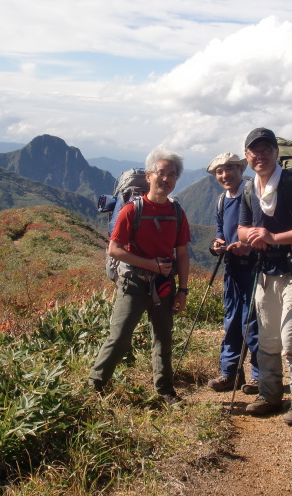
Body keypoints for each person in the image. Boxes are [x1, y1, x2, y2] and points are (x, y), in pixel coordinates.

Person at [89, 146, 191, 405]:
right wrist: (152, 264)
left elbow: (182, 254)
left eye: (172, 175)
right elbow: (115, 250)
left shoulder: (177, 213)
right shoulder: (131, 211)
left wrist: (183, 290)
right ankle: (94, 387)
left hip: (165, 286)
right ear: (149, 176)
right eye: (161, 172)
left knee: (163, 339)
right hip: (133, 283)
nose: (166, 179)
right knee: (120, 337)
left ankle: (165, 391)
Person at [237, 128, 292, 426]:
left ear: (276, 153)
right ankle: (269, 394)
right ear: (246, 155)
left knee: (291, 340)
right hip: (266, 270)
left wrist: (273, 237)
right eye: (253, 151)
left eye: (266, 150)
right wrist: (253, 236)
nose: (259, 156)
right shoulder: (249, 189)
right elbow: (242, 229)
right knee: (269, 337)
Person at [204, 153, 260, 394]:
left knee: (254, 323)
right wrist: (218, 243)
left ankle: (259, 376)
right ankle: (230, 373)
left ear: (240, 169)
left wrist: (248, 246)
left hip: (255, 269)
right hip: (232, 270)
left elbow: (264, 230)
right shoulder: (221, 201)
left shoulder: (253, 194)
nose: (224, 175)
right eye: (219, 171)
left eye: (229, 169)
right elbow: (220, 230)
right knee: (232, 321)